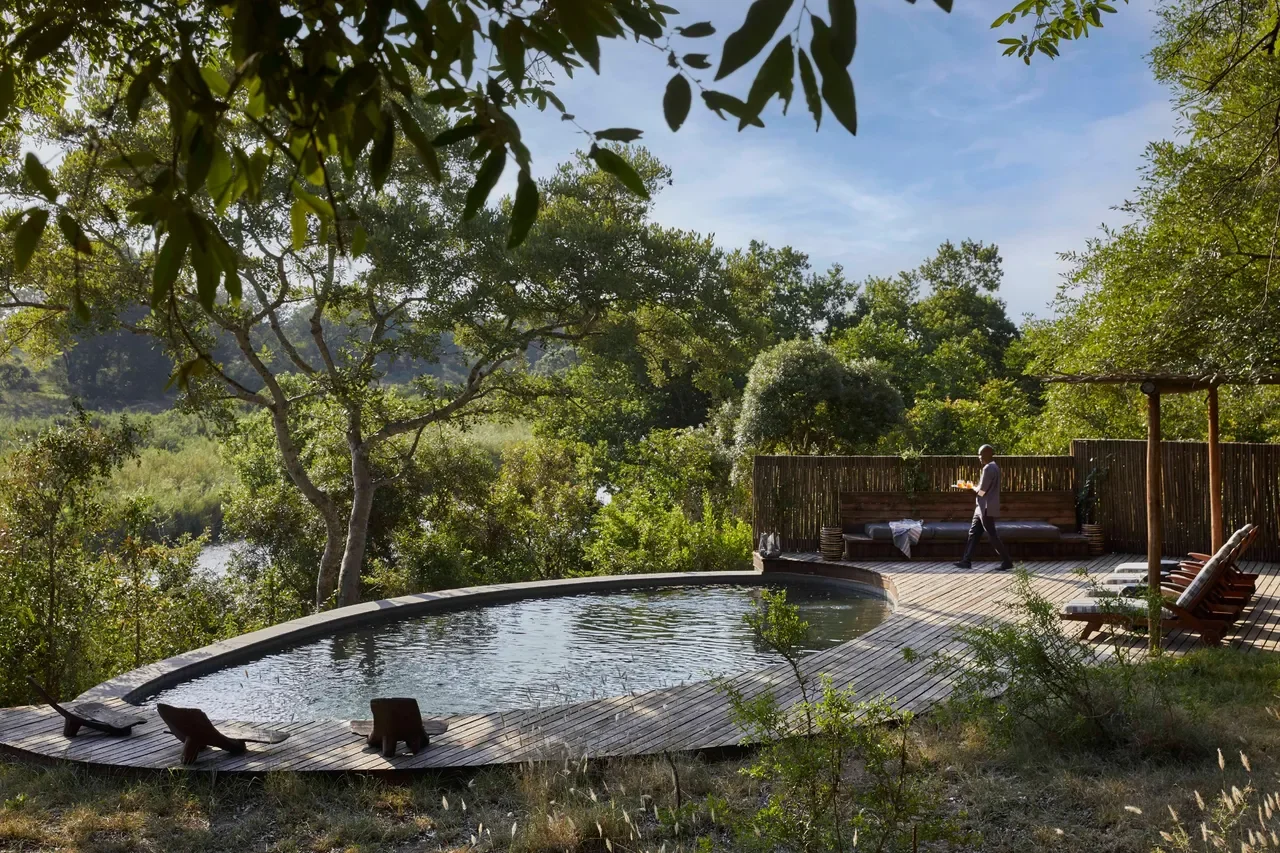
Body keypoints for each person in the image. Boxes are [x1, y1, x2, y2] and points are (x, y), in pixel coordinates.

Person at [954, 445, 1015, 571]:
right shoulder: (994, 467)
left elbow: (982, 491)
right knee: (974, 533)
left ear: (988, 454)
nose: (979, 457)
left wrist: (970, 488)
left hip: (985, 507)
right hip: (981, 507)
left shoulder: (988, 468)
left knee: (992, 535)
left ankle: (1007, 561)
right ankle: (966, 561)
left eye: (980, 454)